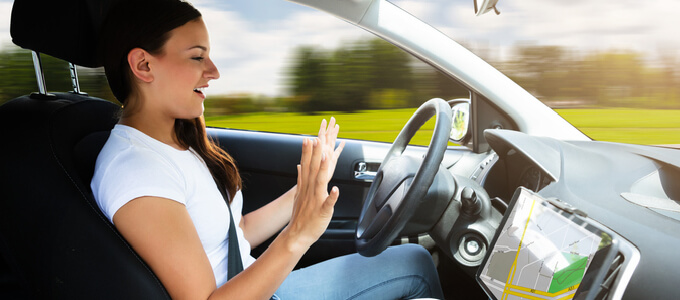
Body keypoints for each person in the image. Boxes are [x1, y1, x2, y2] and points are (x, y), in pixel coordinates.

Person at [90, 0, 444, 299]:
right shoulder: (136, 170)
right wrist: (298, 236)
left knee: (413, 258)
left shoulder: (174, 141)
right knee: (415, 264)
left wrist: (303, 191)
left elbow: (233, 232)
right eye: (198, 57)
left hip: (261, 282)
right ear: (143, 65)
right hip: (262, 290)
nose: (213, 72)